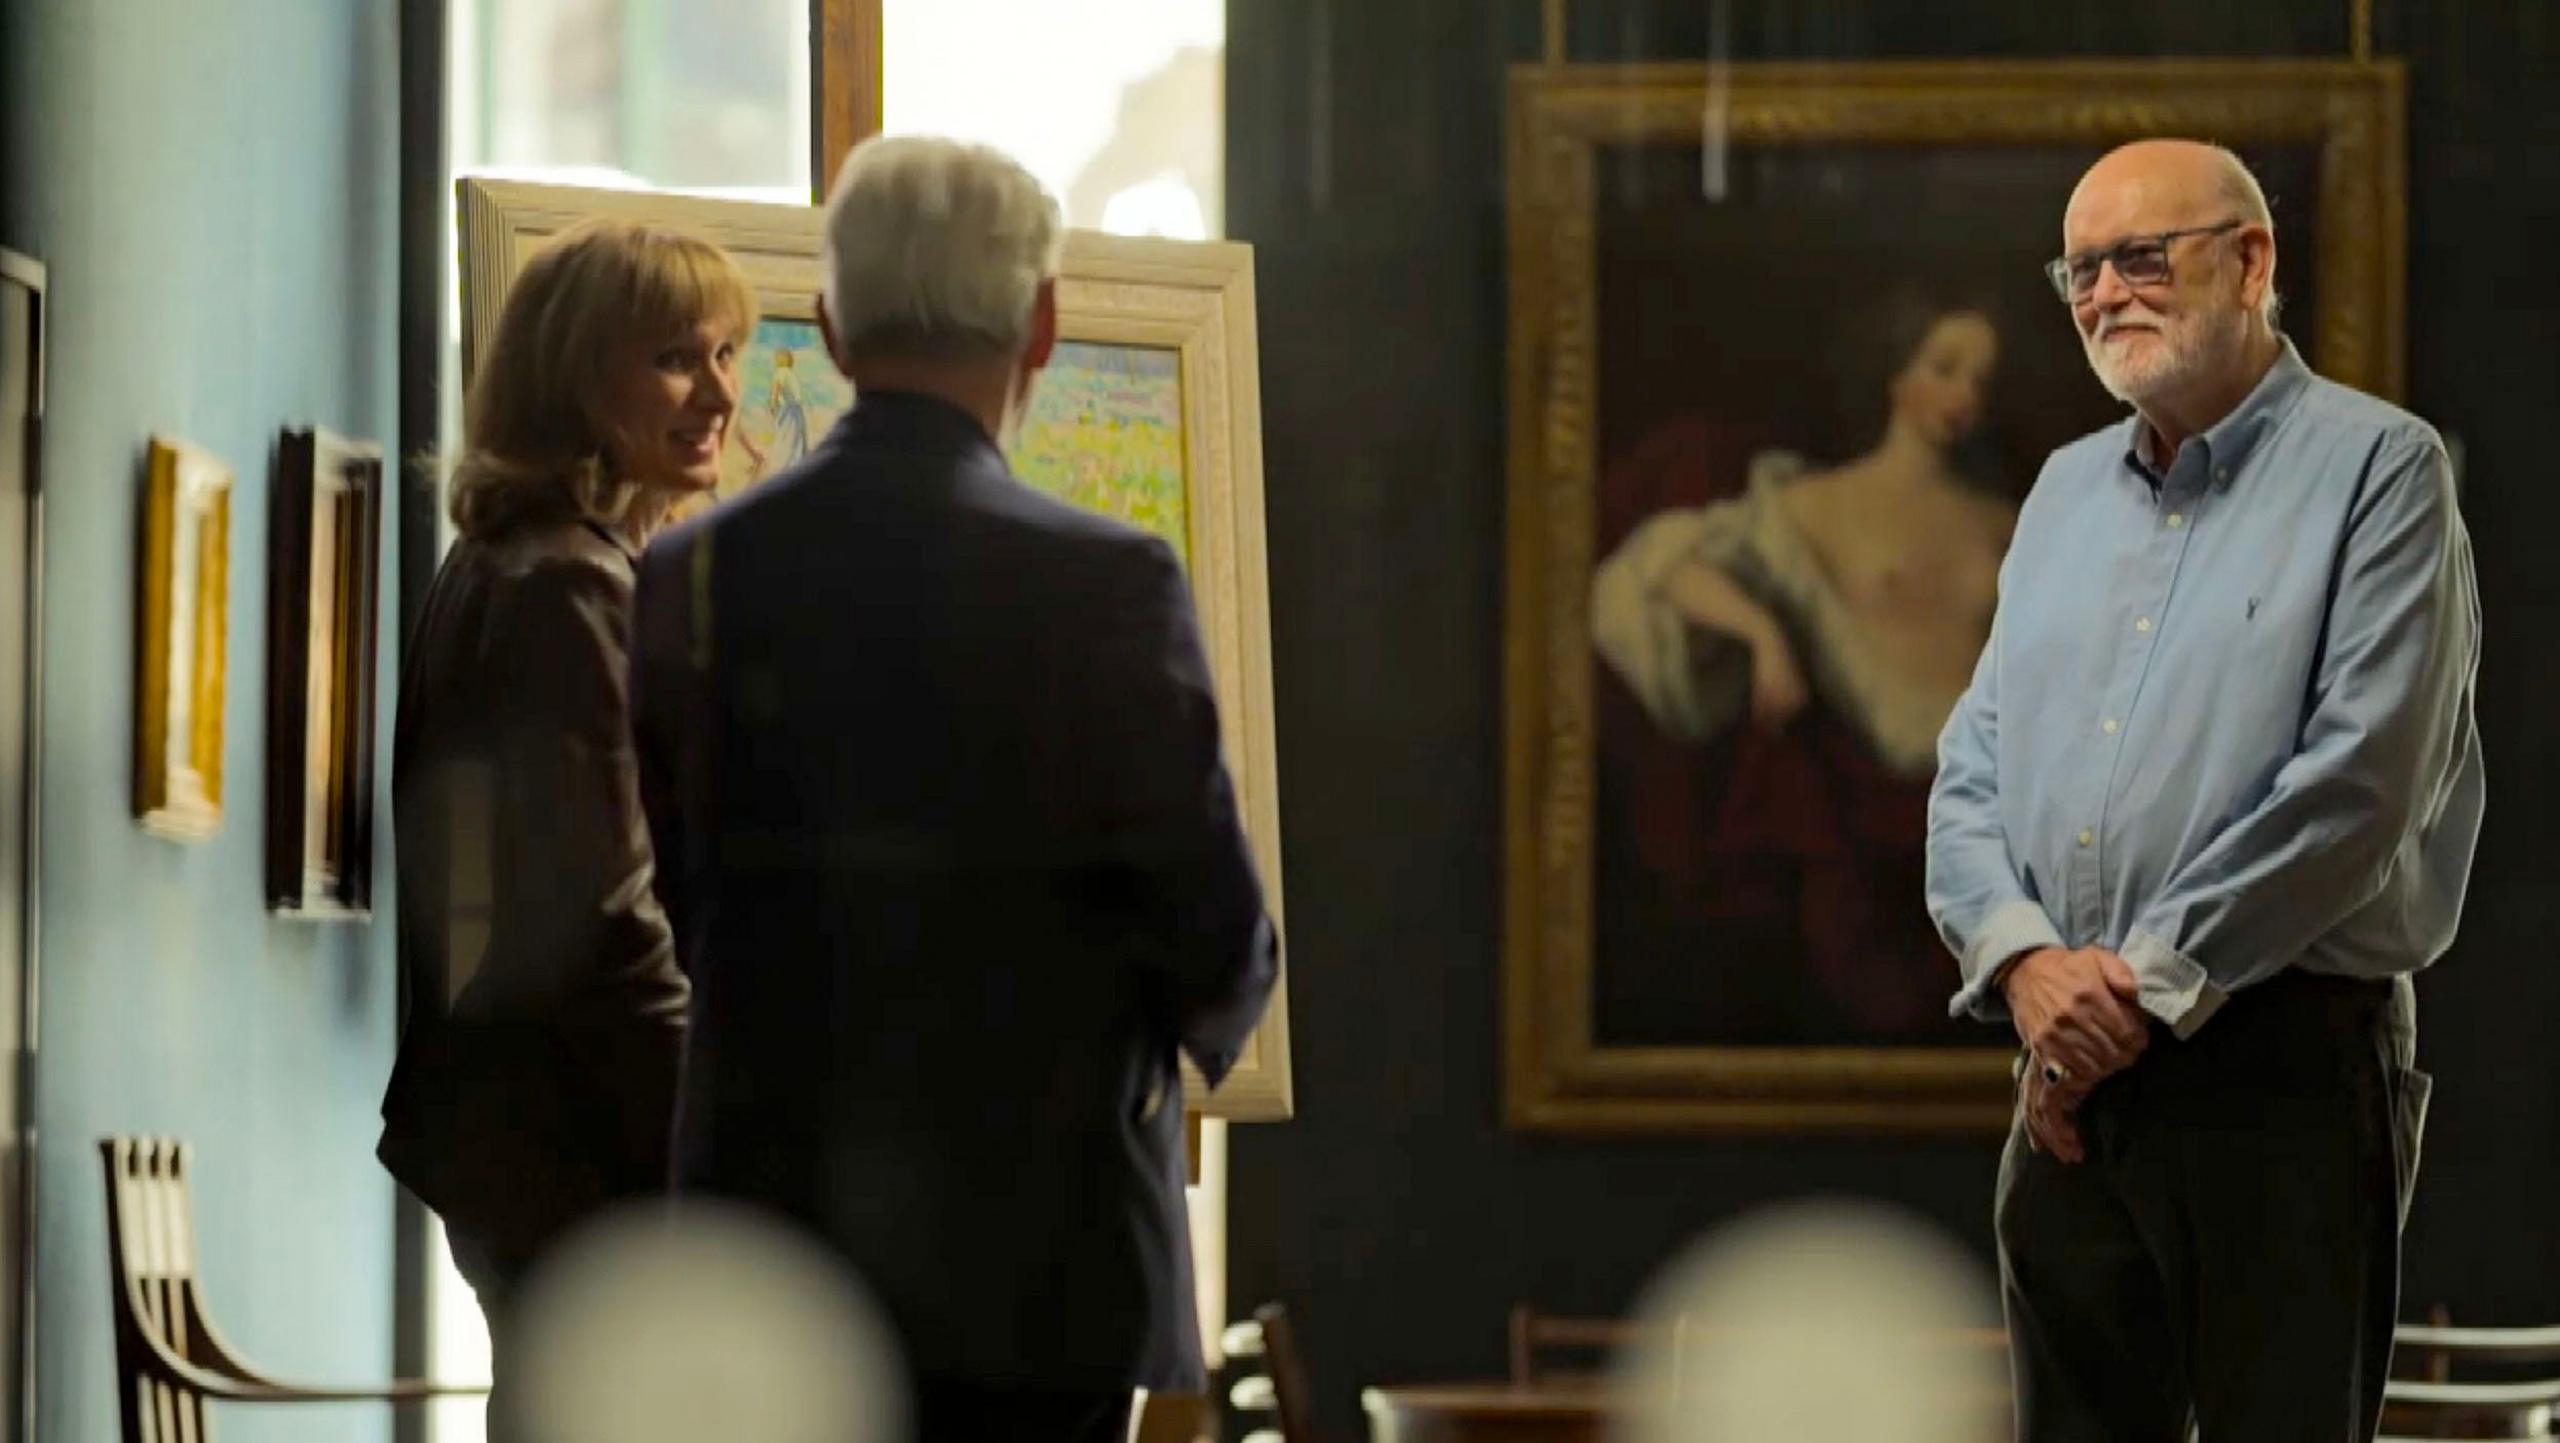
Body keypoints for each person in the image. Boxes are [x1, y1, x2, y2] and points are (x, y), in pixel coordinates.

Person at [628, 135, 1278, 1443]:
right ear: (1041, 324)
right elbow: (1209, 929)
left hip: (775, 1263)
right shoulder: (1111, 583)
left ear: (830, 323)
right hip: (1044, 1273)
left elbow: (690, 903)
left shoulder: (691, 573)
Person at [1926, 139, 2482, 1439]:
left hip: (2281, 1064)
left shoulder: (2382, 470)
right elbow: (1971, 770)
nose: (2105, 292)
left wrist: (2134, 990)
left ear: (2253, 260)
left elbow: (2361, 782)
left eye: (2141, 255)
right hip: (2068, 1074)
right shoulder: (2064, 492)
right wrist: (2022, 968)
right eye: (2080, 269)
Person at [378, 218, 752, 1436]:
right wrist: (717, 1142)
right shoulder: (570, 586)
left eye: (726, 353)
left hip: (533, 1145)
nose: (717, 393)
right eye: (673, 358)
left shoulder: (503, 564)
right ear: (574, 378)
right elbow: (608, 916)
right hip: (593, 1151)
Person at [1590, 296, 2012, 1035]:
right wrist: (1763, 634)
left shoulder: (2004, 521)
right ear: (1893, 374)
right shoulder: (1813, 504)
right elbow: (1657, 567)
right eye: (1943, 369)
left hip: (1978, 816)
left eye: (1980, 379)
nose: (1963, 396)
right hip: (1857, 810)